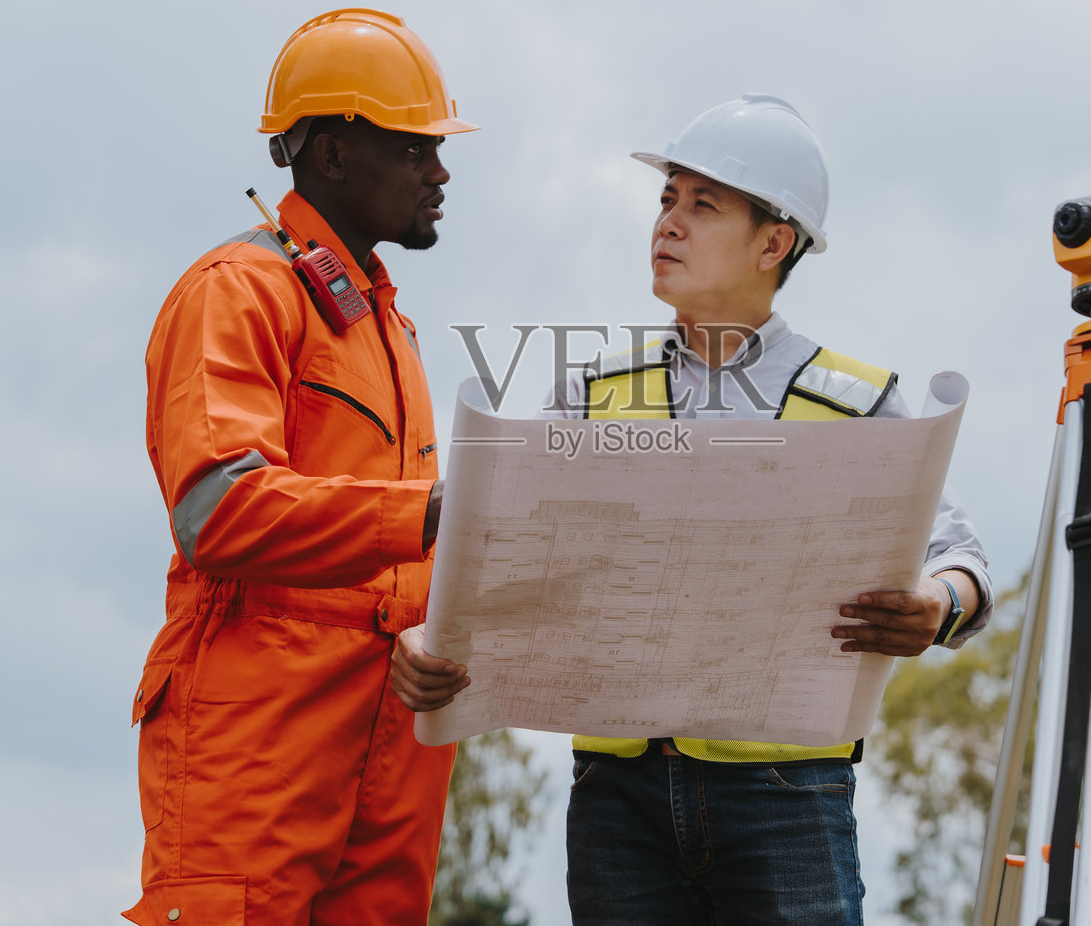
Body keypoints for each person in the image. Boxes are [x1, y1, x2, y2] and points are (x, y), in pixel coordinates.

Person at [391, 94, 991, 925]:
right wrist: (432, 634)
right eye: (666, 199)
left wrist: (941, 604)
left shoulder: (858, 406)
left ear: (774, 243)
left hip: (789, 794)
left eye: (702, 204)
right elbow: (493, 556)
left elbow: (963, 561)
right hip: (617, 799)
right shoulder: (590, 394)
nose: (667, 222)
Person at [125, 9, 476, 926]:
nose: (440, 173)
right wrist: (432, 516)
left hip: (386, 760)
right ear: (329, 154)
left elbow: (405, 560)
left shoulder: (384, 326)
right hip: (257, 758)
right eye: (414, 148)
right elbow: (219, 510)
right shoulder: (240, 291)